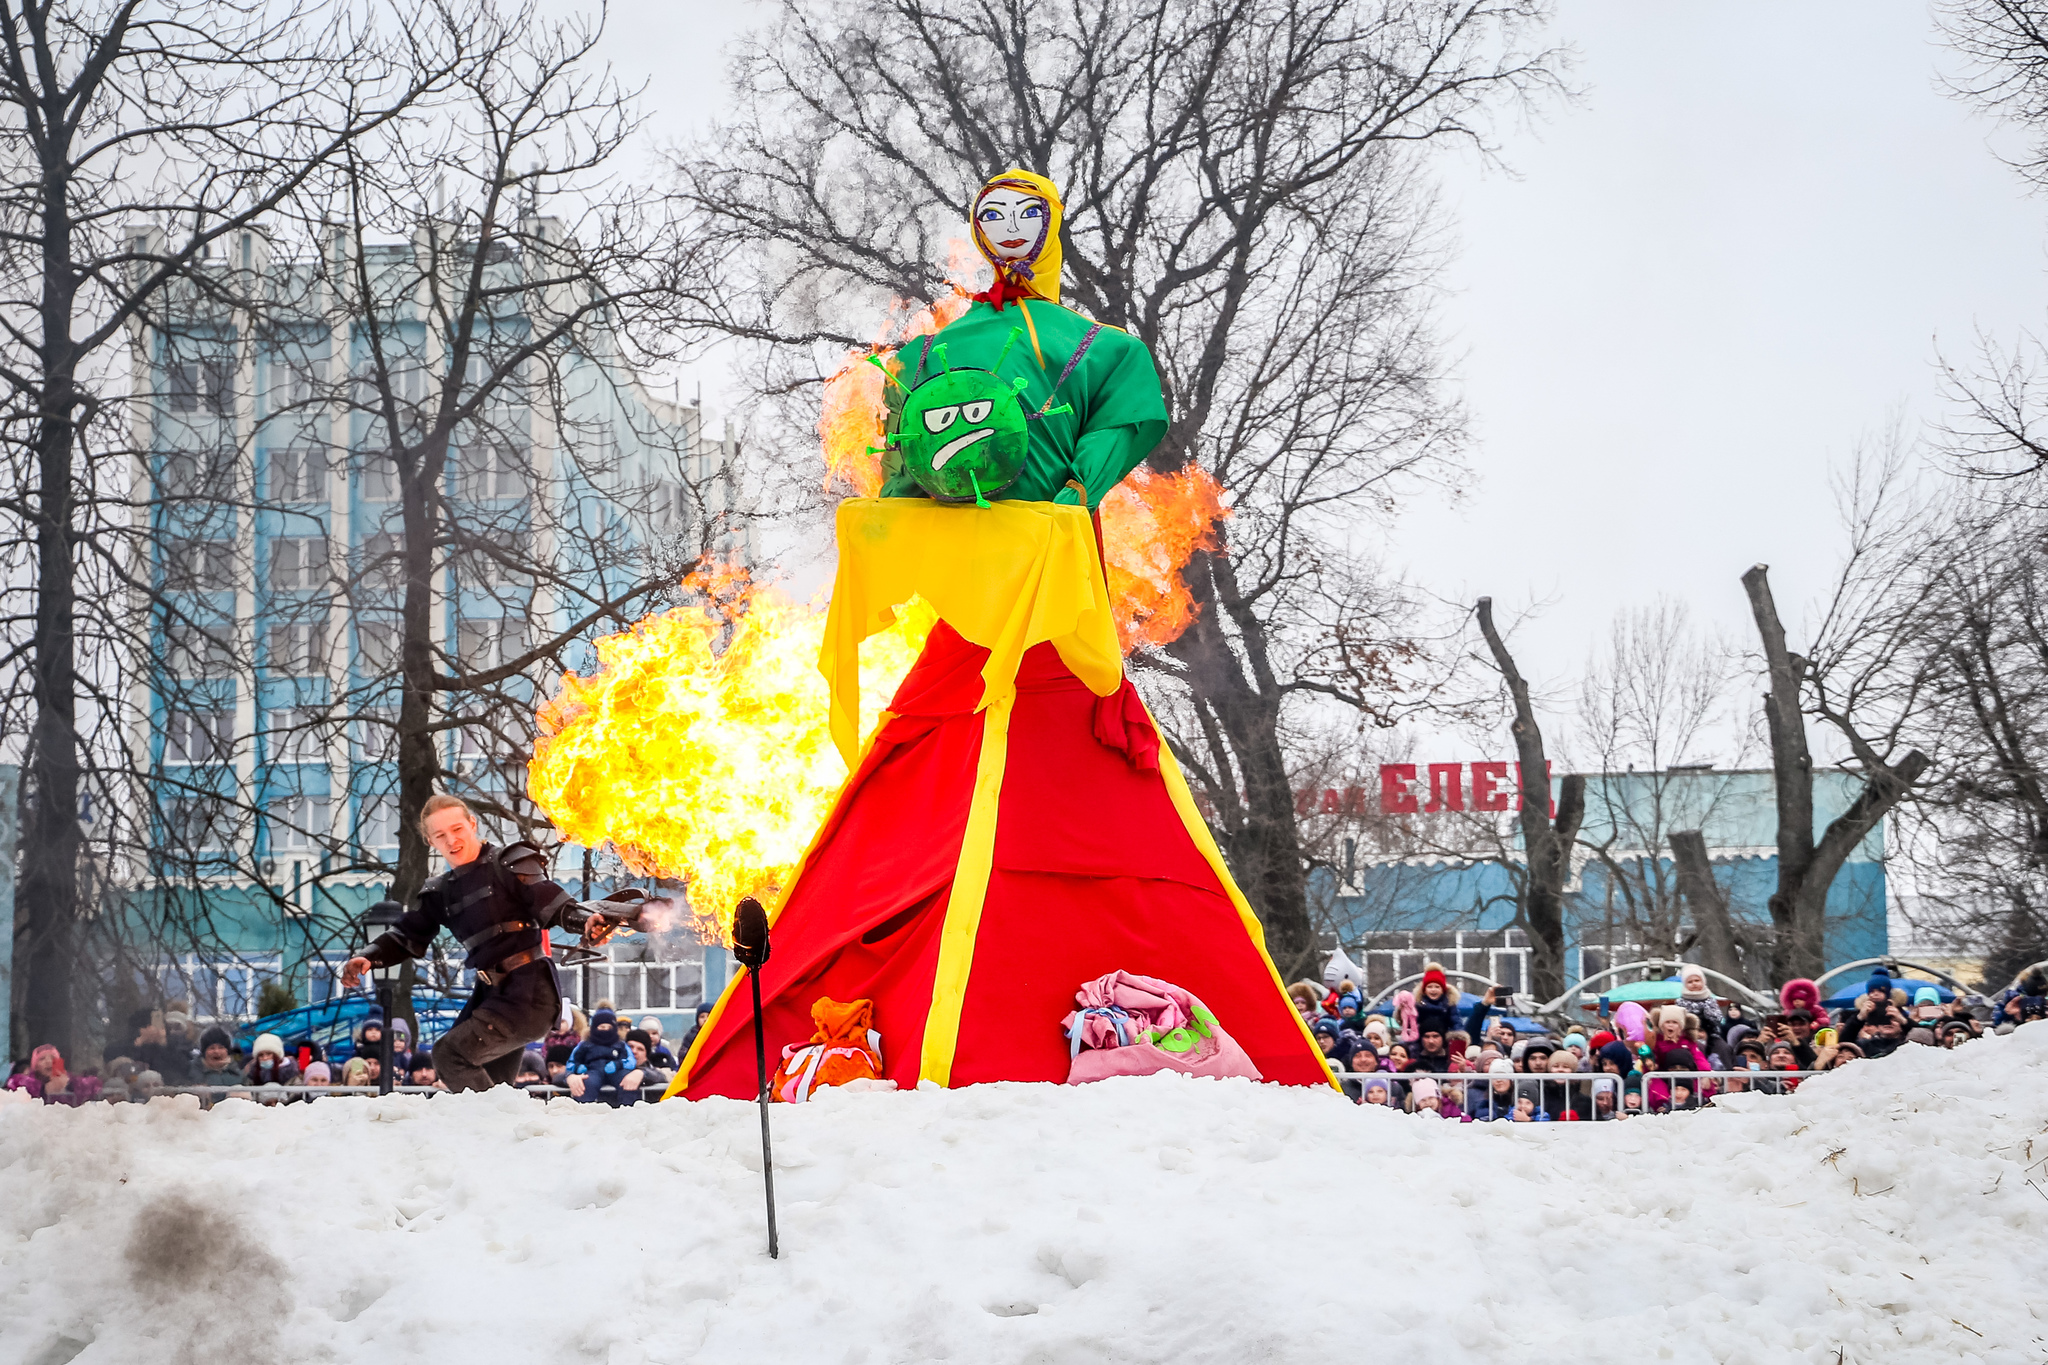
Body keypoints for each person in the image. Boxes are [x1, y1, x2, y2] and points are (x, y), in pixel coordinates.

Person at [341, 794, 627, 1093]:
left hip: (528, 995)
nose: (451, 840)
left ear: (472, 824)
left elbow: (549, 900)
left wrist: (585, 921)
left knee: (449, 1055)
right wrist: (370, 955)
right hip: (492, 996)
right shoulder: (441, 892)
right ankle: (506, 1134)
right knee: (492, 1093)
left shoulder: (509, 864)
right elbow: (408, 934)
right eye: (440, 835)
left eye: (457, 829)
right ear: (430, 840)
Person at [568, 1008, 645, 1106]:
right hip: (592, 1070)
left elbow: (630, 1061)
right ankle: (584, 1113)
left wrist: (618, 1064)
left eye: (608, 1027)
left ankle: (629, 1110)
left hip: (616, 1070)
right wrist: (578, 1068)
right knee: (586, 1084)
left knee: (627, 1082)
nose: (605, 1029)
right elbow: (573, 1061)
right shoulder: (585, 1044)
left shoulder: (620, 1044)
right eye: (602, 1026)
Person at [194, 1026, 244, 1096]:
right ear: (204, 1052)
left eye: (221, 1047)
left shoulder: (238, 1073)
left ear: (227, 1051)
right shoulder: (192, 1072)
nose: (216, 1051)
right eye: (212, 1048)